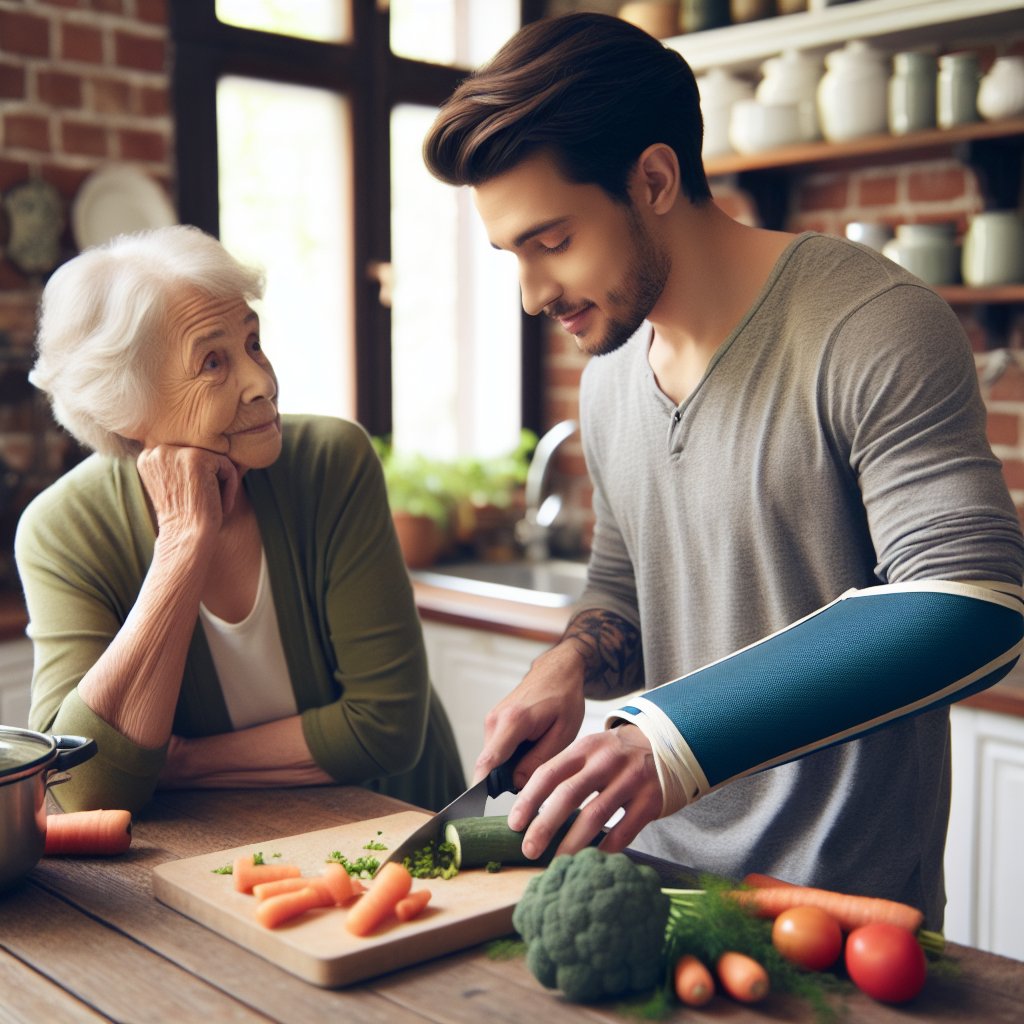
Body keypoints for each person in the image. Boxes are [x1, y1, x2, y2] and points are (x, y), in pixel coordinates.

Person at [422, 12, 1024, 929]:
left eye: (552, 243)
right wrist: (571, 663)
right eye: (513, 255)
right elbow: (624, 592)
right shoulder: (612, 375)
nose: (534, 295)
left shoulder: (869, 325)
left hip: (839, 915)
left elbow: (971, 602)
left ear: (654, 179)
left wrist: (671, 738)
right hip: (653, 890)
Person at [16, 225, 464, 816]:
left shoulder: (333, 461)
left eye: (253, 344)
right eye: (212, 362)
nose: (263, 383)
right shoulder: (63, 530)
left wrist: (178, 763)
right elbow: (75, 787)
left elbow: (384, 727)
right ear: (125, 405)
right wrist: (181, 543)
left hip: (396, 823)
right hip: (224, 851)